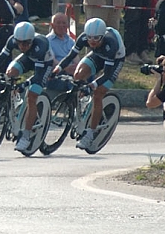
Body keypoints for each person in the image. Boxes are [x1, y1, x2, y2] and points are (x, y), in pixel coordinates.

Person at [0, 21, 55, 153]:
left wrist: (25, 84)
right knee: (10, 73)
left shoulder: (40, 45)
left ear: (32, 40)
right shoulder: (13, 41)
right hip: (28, 59)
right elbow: (1, 57)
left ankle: (26, 135)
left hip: (44, 65)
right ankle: (16, 104)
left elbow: (37, 76)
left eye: (26, 43)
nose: (22, 46)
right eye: (19, 43)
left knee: (32, 95)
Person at [53, 18, 126, 150]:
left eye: (96, 39)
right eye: (89, 38)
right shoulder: (84, 38)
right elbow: (70, 57)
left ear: (102, 36)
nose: (92, 41)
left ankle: (90, 134)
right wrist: (57, 69)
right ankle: (84, 104)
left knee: (98, 93)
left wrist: (92, 85)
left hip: (114, 60)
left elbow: (107, 74)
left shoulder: (111, 43)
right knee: (77, 75)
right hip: (97, 55)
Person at [45, 12, 78, 92]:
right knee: (70, 83)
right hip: (56, 72)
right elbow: (51, 60)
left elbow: (76, 58)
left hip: (72, 71)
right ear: (52, 25)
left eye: (64, 23)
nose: (61, 26)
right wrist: (65, 68)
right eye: (58, 23)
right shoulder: (47, 41)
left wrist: (77, 68)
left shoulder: (71, 41)